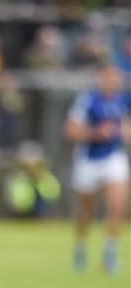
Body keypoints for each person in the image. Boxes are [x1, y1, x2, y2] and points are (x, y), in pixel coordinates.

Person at [65, 64, 130, 273]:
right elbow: (71, 131)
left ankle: (109, 256)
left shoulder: (122, 100)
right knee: (86, 211)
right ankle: (81, 249)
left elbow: (126, 126)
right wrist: (95, 133)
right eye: (110, 77)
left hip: (113, 157)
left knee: (116, 207)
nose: (114, 81)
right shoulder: (87, 101)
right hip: (89, 159)